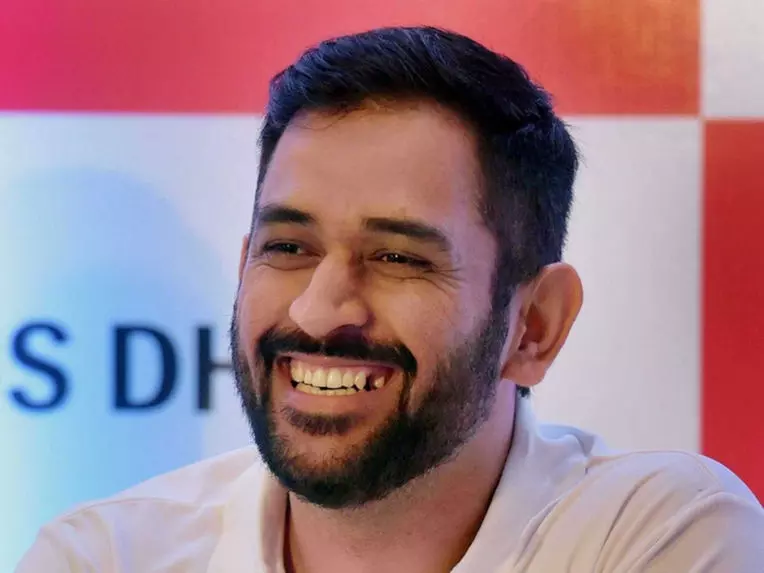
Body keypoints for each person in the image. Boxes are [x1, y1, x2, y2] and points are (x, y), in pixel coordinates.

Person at [16, 26, 764, 573]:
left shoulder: (657, 532)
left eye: (398, 257)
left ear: (534, 326)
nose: (317, 309)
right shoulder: (105, 556)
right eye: (289, 247)